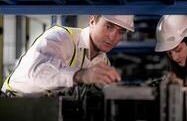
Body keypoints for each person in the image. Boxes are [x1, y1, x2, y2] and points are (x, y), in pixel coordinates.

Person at [2, 15, 134, 95]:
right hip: (15, 104)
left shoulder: (103, 62)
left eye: (121, 32)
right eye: (109, 26)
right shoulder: (61, 37)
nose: (113, 37)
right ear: (92, 21)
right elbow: (37, 72)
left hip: (51, 111)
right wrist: (81, 75)